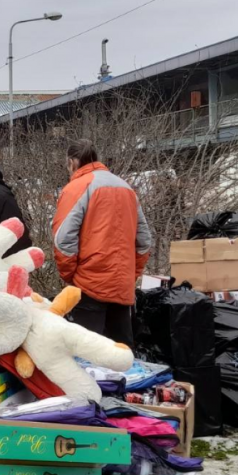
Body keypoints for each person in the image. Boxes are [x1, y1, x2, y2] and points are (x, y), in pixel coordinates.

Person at [52, 139, 153, 347]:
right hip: (122, 286)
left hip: (89, 285)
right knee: (122, 358)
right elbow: (144, 241)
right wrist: (130, 274)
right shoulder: (126, 188)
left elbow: (63, 241)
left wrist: (70, 276)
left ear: (72, 162)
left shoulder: (76, 188)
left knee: (87, 358)